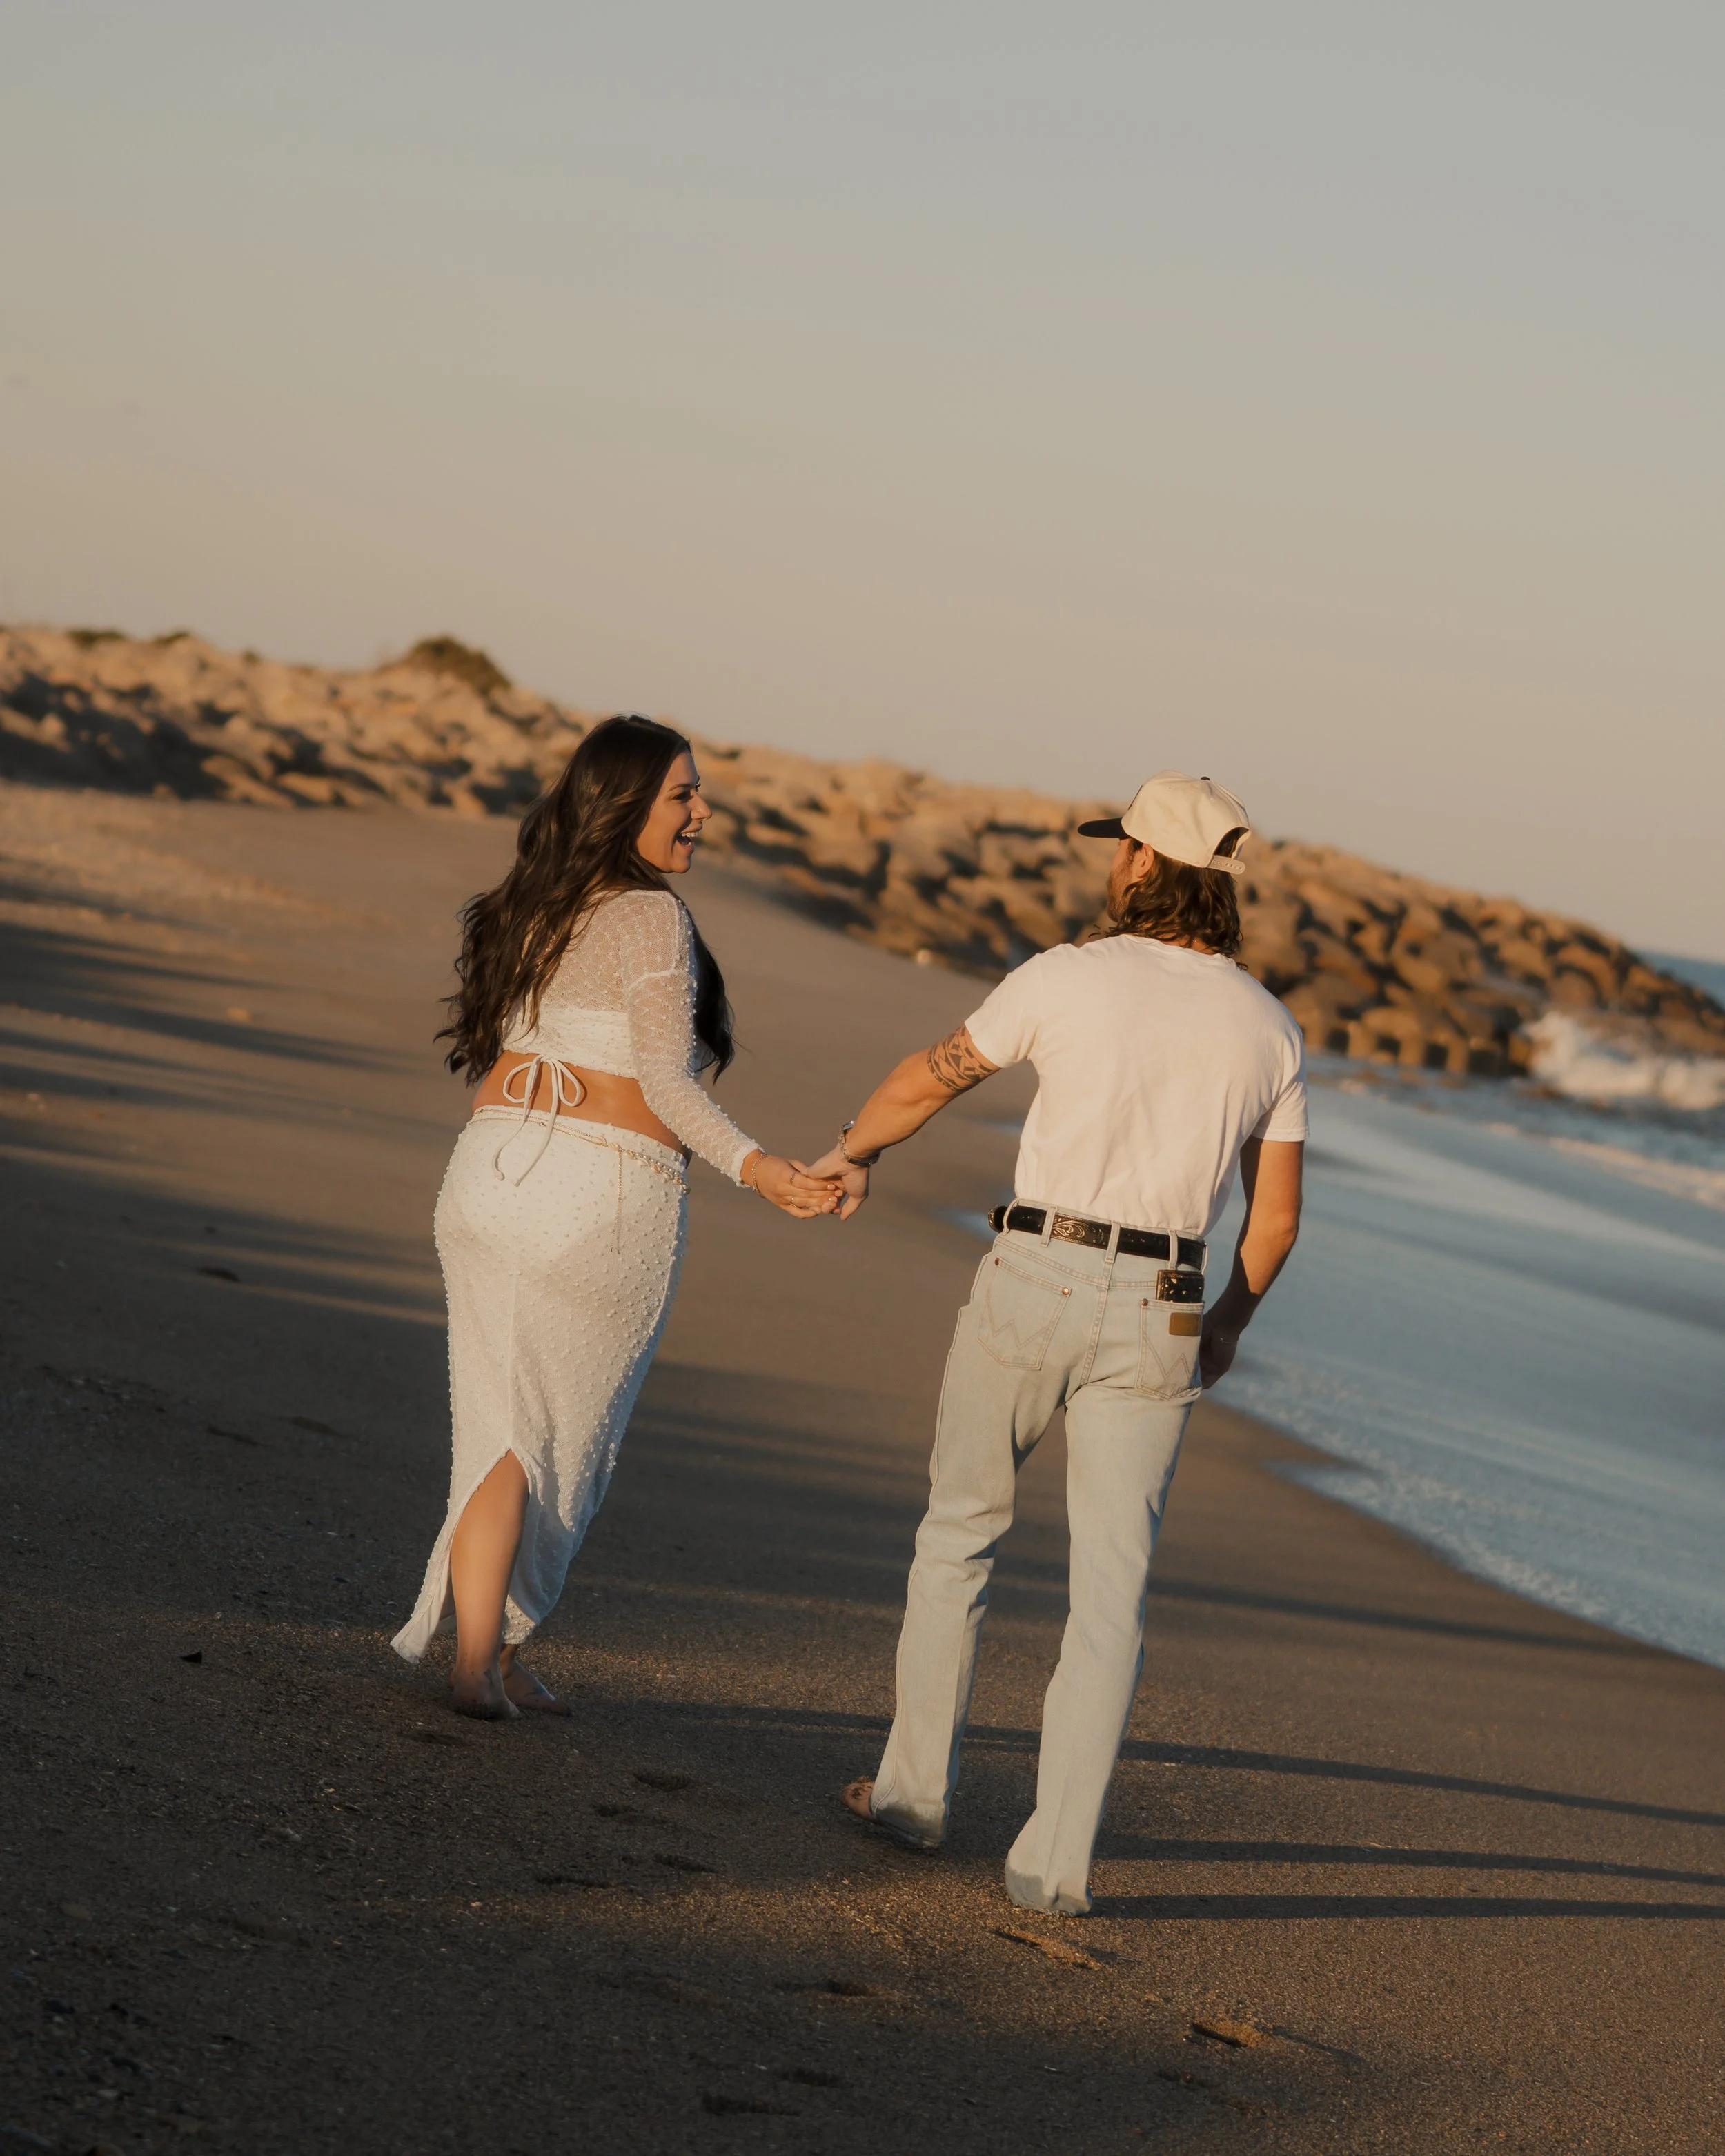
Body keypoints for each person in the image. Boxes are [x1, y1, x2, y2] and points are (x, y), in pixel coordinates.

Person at [803, 770, 1306, 1915]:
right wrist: (1226, 1326)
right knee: (1111, 1597)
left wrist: (852, 1154)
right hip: (1166, 1303)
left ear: (1143, 864)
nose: (1111, 861)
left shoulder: (1067, 977)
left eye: (1120, 845)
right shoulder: (1269, 1029)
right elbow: (1272, 1221)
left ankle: (915, 1797)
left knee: (962, 1531)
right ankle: (1052, 1868)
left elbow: (928, 1078)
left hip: (1035, 1273)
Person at [392, 717, 839, 1717]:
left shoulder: (525, 905)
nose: (702, 812)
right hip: (597, 1195)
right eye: (683, 795)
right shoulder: (650, 918)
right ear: (624, 802)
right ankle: (480, 1660)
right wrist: (759, 1168)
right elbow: (668, 1087)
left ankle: (491, 1657)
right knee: (558, 1441)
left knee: (500, 1422)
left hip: (485, 1180)